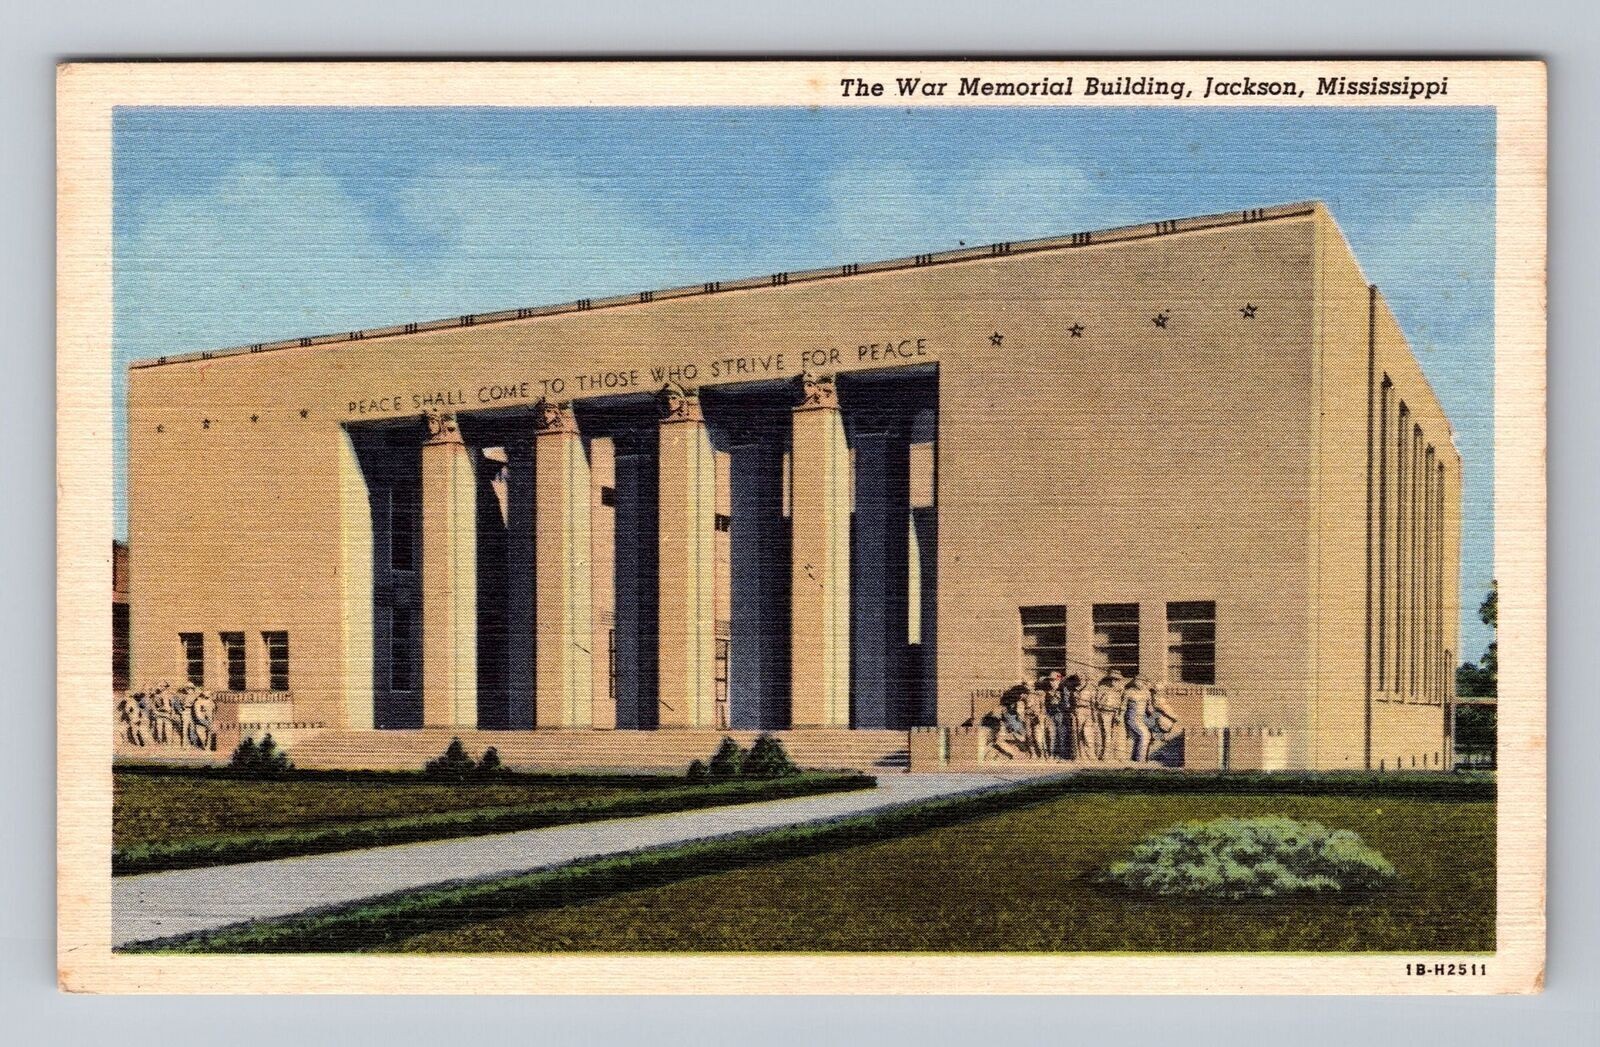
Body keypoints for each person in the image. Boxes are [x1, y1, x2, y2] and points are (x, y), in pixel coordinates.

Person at [1093, 672, 1126, 760]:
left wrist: (1118, 713)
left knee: (1115, 734)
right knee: (1106, 733)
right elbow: (1097, 701)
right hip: (1104, 713)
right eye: (1113, 679)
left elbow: (1122, 703)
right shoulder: (1102, 688)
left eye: (1117, 680)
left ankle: (1113, 754)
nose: (1114, 682)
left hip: (1115, 713)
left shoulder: (1120, 690)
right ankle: (1105, 754)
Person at [1121, 677, 1154, 762]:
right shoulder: (1128, 692)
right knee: (1144, 735)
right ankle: (1140, 759)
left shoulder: (1147, 693)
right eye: (1138, 681)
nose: (1140, 683)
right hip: (1132, 718)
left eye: (1142, 681)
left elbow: (1149, 708)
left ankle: (1137, 758)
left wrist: (1151, 709)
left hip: (1141, 719)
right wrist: (1120, 716)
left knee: (1142, 736)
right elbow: (1123, 706)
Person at [1062, 674, 1094, 760]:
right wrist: (1072, 712)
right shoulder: (1073, 691)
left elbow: (1093, 704)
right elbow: (1069, 704)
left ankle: (1090, 754)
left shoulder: (1090, 690)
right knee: (1077, 734)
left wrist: (1093, 716)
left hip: (1088, 712)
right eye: (1079, 679)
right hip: (1077, 712)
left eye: (1082, 679)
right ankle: (1079, 755)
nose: (1080, 681)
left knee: (1087, 734)